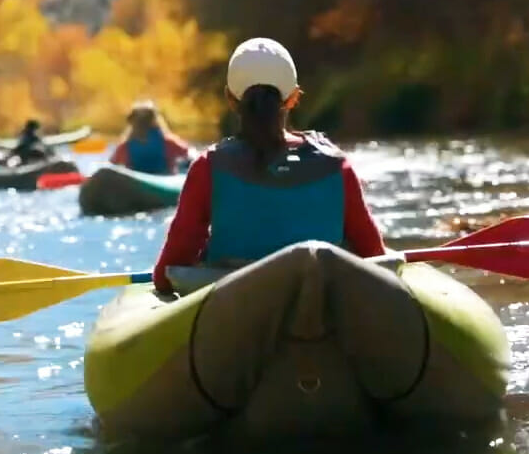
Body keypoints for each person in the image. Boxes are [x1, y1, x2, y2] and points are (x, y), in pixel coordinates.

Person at [151, 37, 387, 294]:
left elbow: (166, 275)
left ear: (230, 99)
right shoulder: (337, 166)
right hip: (323, 308)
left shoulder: (208, 168)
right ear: (294, 97)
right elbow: (375, 256)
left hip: (232, 312)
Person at [108, 100, 194, 175]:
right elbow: (190, 154)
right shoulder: (168, 141)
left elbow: (112, 164)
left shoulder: (125, 146)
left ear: (132, 123)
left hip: (137, 184)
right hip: (163, 179)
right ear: (155, 120)